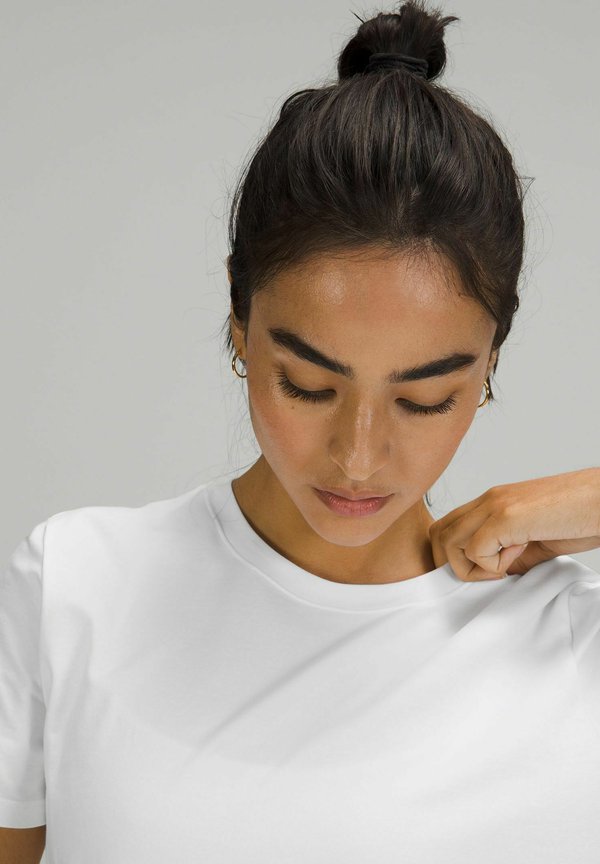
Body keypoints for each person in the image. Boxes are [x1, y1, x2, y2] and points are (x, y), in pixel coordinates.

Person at [1, 2, 599, 862]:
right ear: (239, 321)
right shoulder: (76, 588)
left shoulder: (570, 643)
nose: (358, 456)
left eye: (426, 399)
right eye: (309, 386)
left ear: (490, 361)